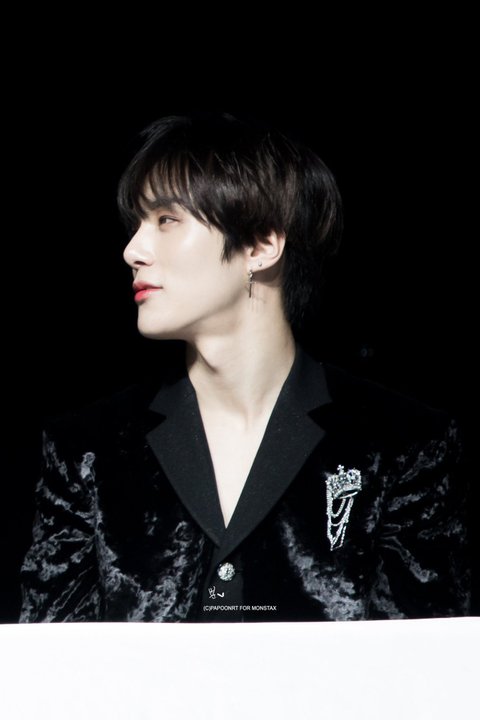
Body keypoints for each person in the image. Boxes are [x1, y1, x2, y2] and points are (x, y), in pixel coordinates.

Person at [18, 112, 470, 622]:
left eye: (166, 219)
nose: (132, 250)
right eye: (137, 225)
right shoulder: (86, 449)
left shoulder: (404, 444)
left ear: (260, 245)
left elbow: (424, 661)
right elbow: (52, 661)